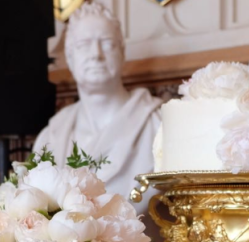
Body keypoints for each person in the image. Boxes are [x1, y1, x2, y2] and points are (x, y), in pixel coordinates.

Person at [33, 2, 162, 203]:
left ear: (122, 52)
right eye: (84, 45)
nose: (96, 54)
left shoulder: (158, 125)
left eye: (107, 43)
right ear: (69, 56)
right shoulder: (49, 139)